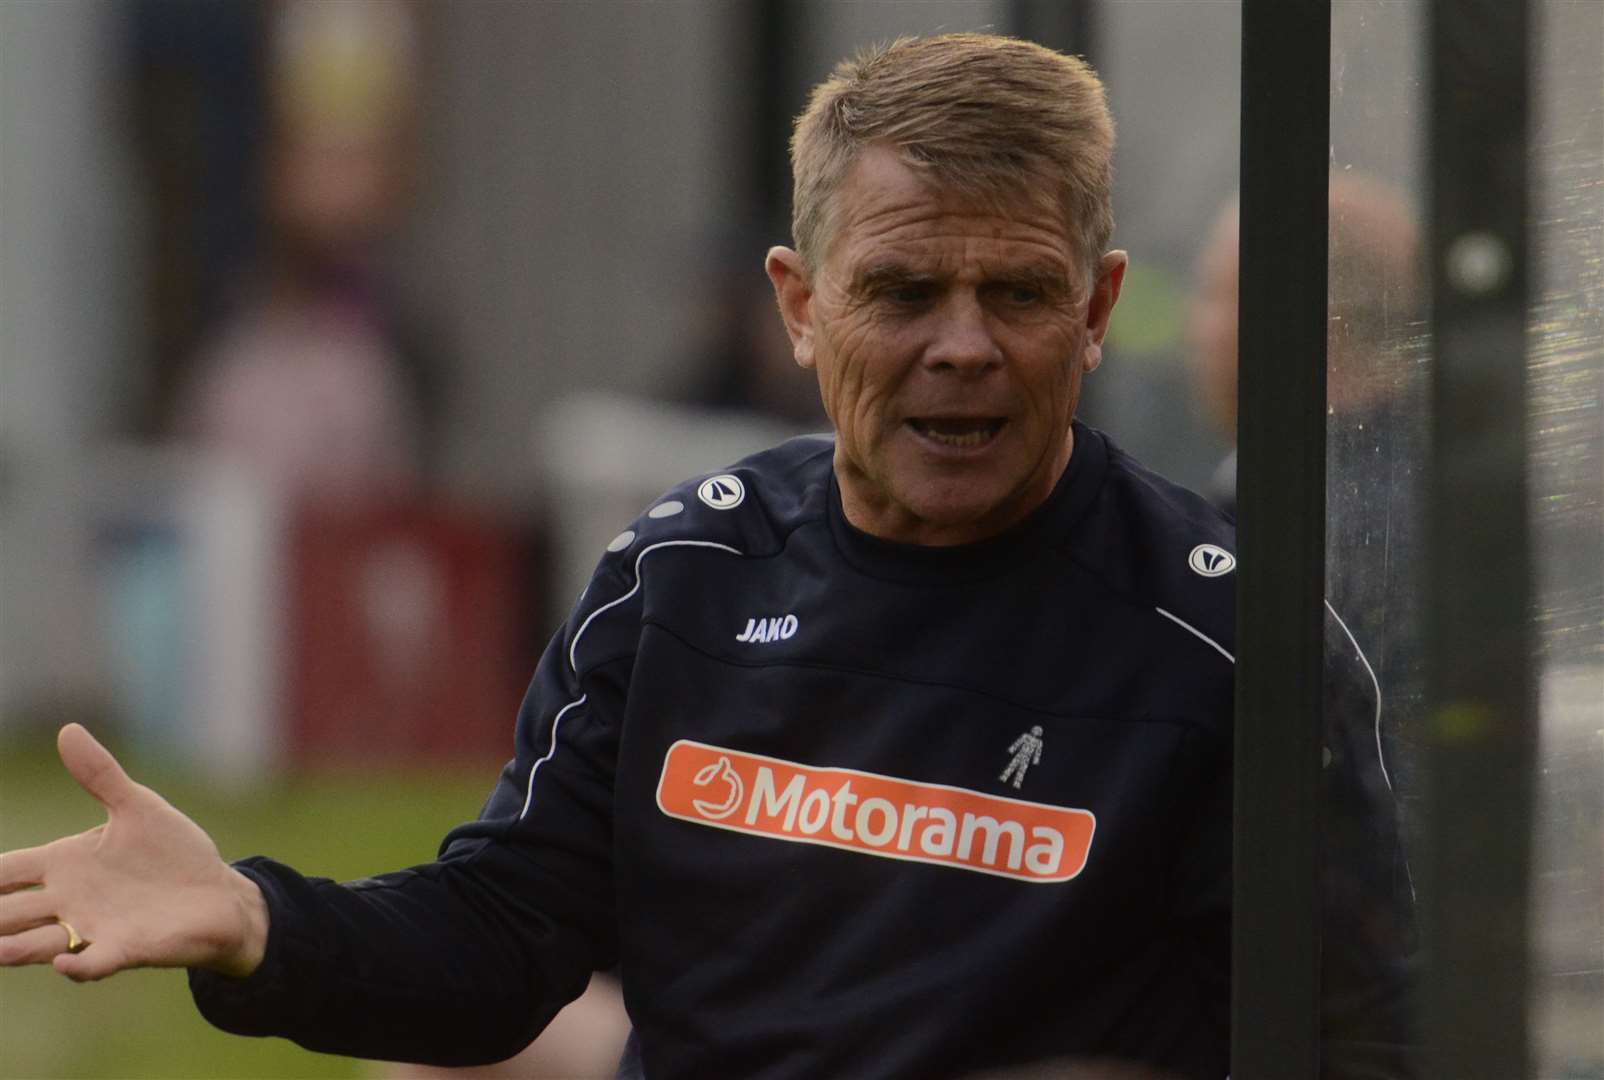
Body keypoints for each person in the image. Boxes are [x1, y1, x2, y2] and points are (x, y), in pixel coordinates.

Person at [0, 34, 1410, 1079]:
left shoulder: (1238, 651)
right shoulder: (687, 574)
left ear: (1098, 309)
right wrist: (258, 920)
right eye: (904, 290)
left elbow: (1363, 1045)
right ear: (798, 308)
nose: (964, 344)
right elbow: (503, 939)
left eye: (1021, 293)